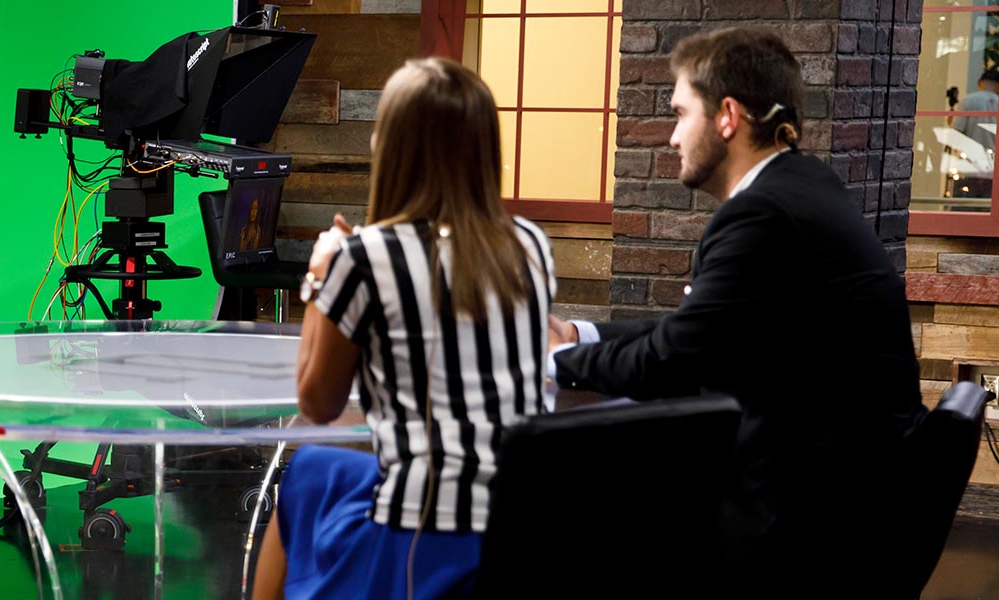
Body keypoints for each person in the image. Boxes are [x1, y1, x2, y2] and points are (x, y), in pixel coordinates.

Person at [546, 28, 924, 593]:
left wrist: (560, 360)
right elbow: (697, 334)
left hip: (811, 523)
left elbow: (674, 360)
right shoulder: (803, 186)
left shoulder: (763, 214)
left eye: (680, 114)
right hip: (860, 493)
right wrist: (579, 332)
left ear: (727, 116)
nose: (672, 137)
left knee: (575, 523)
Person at [252, 57, 555, 600]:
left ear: (392, 147)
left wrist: (321, 276)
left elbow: (316, 404)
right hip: (525, 518)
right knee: (319, 472)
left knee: (303, 474)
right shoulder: (529, 245)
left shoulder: (366, 257)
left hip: (424, 534)